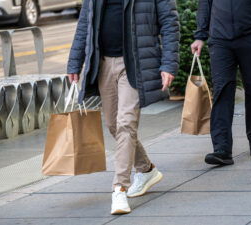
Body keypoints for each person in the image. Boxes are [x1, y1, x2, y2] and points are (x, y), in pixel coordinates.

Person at [67, 0, 179, 215]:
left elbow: (169, 24)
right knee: (113, 125)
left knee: (126, 123)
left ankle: (119, 189)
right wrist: (75, 62)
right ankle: (146, 169)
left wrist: (168, 65)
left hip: (134, 64)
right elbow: (84, 25)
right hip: (103, 63)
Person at [191, 0, 251, 165]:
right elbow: (205, 4)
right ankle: (222, 149)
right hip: (220, 40)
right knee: (222, 90)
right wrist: (200, 36)